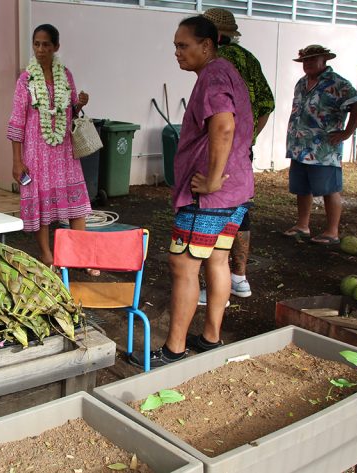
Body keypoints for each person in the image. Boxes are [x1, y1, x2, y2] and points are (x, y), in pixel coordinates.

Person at [135, 16, 253, 368]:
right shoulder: (224, 71)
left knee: (183, 264)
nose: (177, 52)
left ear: (207, 45)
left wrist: (213, 178)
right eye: (175, 45)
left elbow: (224, 124)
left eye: (183, 45)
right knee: (217, 259)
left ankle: (173, 350)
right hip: (237, 191)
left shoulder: (214, 76)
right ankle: (210, 339)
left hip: (211, 196)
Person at [7, 24, 97, 274]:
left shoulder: (65, 75)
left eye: (46, 44)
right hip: (36, 152)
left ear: (56, 47)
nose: (41, 49)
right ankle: (46, 255)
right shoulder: (26, 79)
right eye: (36, 43)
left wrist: (78, 104)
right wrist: (17, 160)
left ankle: (82, 255)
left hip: (64, 151)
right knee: (42, 205)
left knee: (76, 202)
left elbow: (68, 111)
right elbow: (17, 120)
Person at [198, 8, 275, 302]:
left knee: (213, 214)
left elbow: (222, 122)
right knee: (240, 213)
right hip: (242, 151)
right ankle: (239, 277)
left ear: (212, 38)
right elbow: (267, 104)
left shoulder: (217, 63)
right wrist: (250, 137)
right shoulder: (248, 58)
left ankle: (216, 286)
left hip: (222, 150)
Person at [283, 45, 357, 244]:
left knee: (329, 188)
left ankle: (332, 232)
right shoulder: (302, 83)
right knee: (301, 188)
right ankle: (302, 226)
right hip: (300, 146)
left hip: (323, 148)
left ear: (324, 60)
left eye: (312, 60)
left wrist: (347, 132)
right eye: (305, 61)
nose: (307, 64)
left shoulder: (336, 83)